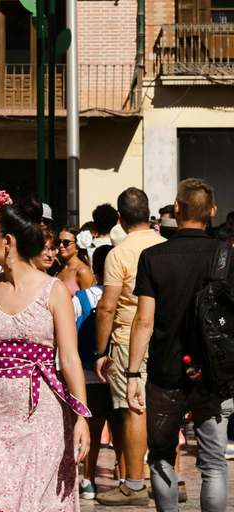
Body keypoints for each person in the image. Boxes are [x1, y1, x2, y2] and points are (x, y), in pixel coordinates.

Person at [0, 192, 91, 512]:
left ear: (8, 242)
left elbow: (69, 358)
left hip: (44, 419)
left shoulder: (53, 290)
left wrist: (82, 416)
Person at [128, 178, 233, 512]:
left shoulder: (153, 256)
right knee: (214, 462)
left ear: (177, 209)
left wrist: (132, 373)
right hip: (216, 374)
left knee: (160, 456)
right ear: (212, 212)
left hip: (166, 371)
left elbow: (144, 320)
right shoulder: (226, 256)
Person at [93, 187, 166, 506]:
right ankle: (169, 479)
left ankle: (135, 484)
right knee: (163, 409)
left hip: (125, 340)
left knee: (134, 411)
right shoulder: (166, 246)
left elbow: (107, 307)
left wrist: (100, 351)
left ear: (120, 218)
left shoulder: (118, 253)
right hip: (163, 339)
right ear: (148, 213)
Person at [74, 244, 119, 500]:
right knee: (121, 427)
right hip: (118, 372)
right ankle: (125, 476)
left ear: (94, 267)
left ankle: (88, 480)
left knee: (91, 428)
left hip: (88, 373)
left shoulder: (80, 298)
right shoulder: (124, 295)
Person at [55, 225, 94, 296]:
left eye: (66, 242)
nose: (61, 245)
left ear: (78, 245)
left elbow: (88, 302)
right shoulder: (59, 268)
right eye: (59, 241)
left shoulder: (82, 271)